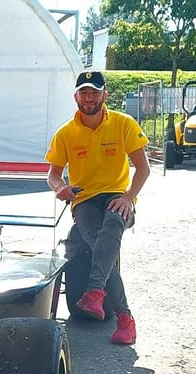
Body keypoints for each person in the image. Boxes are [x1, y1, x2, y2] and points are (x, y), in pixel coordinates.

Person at [46, 70, 149, 346]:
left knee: (113, 222)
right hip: (84, 199)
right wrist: (60, 187)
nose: (89, 98)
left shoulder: (124, 123)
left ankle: (96, 293)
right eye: (84, 92)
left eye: (94, 92)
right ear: (76, 97)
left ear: (105, 95)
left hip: (117, 195)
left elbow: (143, 168)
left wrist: (128, 197)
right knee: (100, 244)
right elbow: (53, 174)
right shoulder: (65, 133)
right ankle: (124, 317)